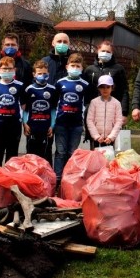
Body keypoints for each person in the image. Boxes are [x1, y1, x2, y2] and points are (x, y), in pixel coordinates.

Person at [53, 52, 89, 182]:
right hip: (61, 123)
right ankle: (57, 179)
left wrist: (85, 125)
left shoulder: (85, 85)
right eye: (72, 65)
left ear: (81, 68)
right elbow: (54, 104)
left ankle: (68, 180)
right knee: (60, 153)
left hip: (77, 125)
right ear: (67, 67)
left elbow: (86, 105)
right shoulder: (60, 83)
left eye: (77, 66)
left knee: (72, 153)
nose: (75, 68)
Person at [0, 56, 25, 165]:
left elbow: (23, 105)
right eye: (4, 69)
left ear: (14, 70)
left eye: (9, 69)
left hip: (14, 125)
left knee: (12, 156)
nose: (7, 71)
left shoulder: (20, 86)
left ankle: (9, 180)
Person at [83, 40, 129, 124]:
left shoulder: (119, 69)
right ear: (98, 51)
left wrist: (124, 112)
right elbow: (85, 91)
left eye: (108, 51)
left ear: (112, 53)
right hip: (93, 110)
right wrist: (85, 107)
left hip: (112, 110)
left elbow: (124, 91)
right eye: (103, 51)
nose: (105, 53)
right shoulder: (89, 70)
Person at [22, 60, 58, 164]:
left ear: (48, 74)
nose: (42, 75)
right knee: (31, 155)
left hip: (46, 128)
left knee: (46, 154)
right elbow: (25, 110)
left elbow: (53, 110)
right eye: (39, 73)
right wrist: (25, 124)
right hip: (32, 128)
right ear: (34, 74)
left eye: (45, 73)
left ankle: (47, 178)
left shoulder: (52, 90)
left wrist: (52, 126)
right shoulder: (29, 89)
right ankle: (31, 178)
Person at [86, 74, 124, 150]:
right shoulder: (94, 102)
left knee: (108, 159)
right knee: (96, 159)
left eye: (108, 87)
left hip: (109, 138)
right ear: (98, 88)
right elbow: (89, 120)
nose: (105, 89)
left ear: (112, 88)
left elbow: (119, 121)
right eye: (102, 87)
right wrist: (96, 136)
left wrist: (111, 137)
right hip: (96, 138)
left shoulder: (117, 103)